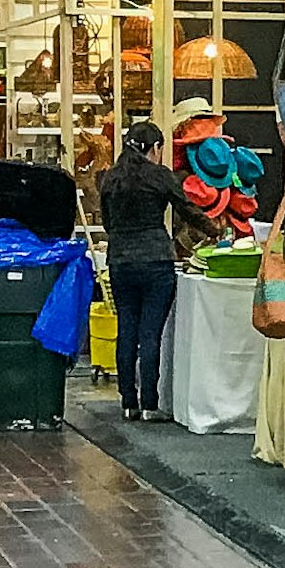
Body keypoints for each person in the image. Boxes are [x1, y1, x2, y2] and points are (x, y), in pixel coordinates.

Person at [98, 119, 184, 420]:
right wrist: (213, 230)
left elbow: (108, 223)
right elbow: (186, 208)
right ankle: (149, 403)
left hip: (120, 261)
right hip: (156, 260)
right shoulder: (159, 177)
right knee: (150, 334)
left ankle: (127, 402)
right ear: (155, 148)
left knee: (126, 331)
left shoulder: (110, 179)